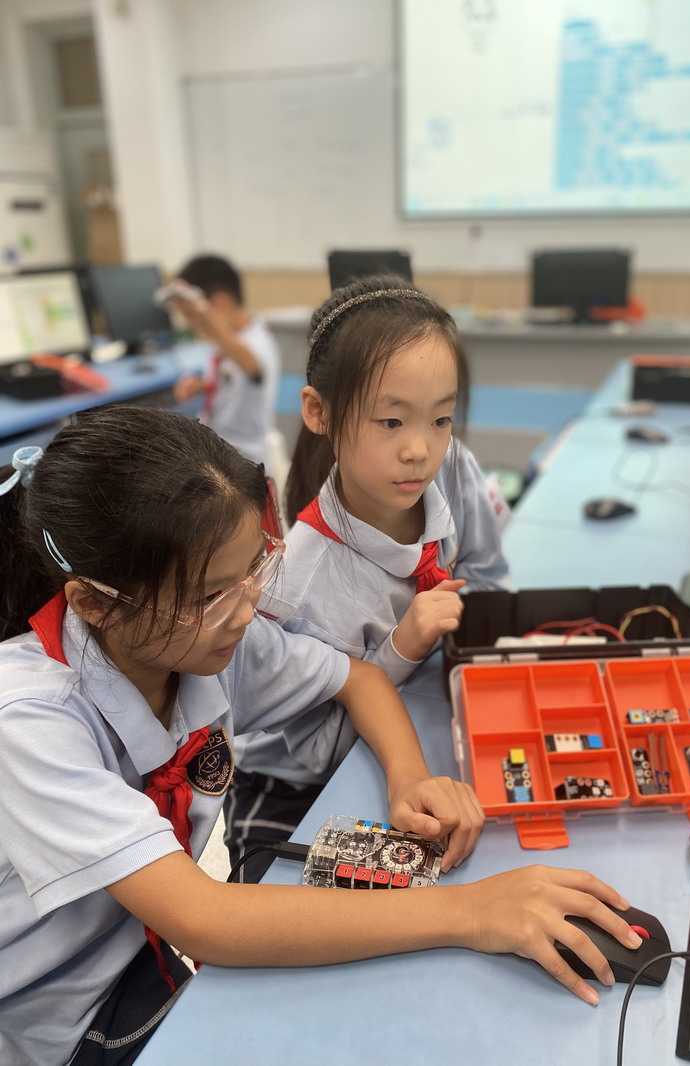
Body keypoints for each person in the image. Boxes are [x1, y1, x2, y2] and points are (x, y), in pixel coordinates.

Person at [0, 408, 642, 1066]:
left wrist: (410, 778)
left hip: (141, 944)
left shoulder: (200, 638)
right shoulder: (28, 721)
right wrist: (474, 912)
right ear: (94, 603)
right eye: (210, 594)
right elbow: (206, 920)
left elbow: (359, 680)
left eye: (253, 570)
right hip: (61, 1013)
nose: (245, 611)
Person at [227, 275, 510, 880]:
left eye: (441, 418)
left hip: (412, 721)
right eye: (390, 422)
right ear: (318, 412)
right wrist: (403, 647)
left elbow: (486, 574)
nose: (420, 450)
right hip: (292, 786)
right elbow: (317, 749)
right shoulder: (299, 582)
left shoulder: (452, 469)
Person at [170, 254, 279, 465]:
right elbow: (233, 378)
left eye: (193, 318)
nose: (193, 325)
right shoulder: (223, 343)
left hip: (246, 461)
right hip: (217, 448)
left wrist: (206, 319)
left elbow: (250, 365)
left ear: (219, 303)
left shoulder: (257, 341)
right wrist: (201, 385)